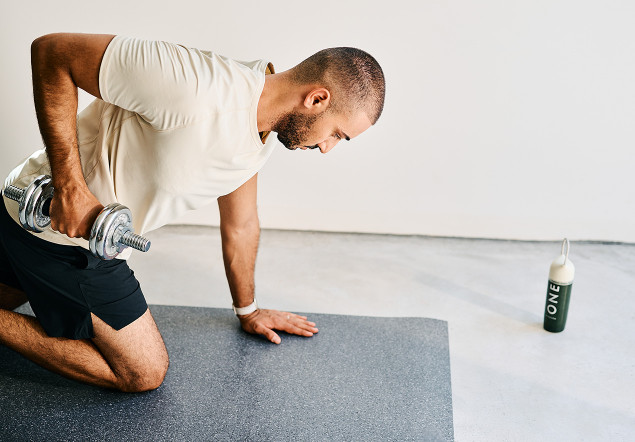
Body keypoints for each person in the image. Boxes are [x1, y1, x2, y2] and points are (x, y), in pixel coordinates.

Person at [0, 33, 386, 392]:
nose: (327, 148)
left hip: (57, 229)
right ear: (317, 99)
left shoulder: (263, 125)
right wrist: (70, 188)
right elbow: (53, 52)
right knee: (143, 371)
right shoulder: (196, 85)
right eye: (337, 134)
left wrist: (248, 310)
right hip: (56, 228)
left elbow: (241, 224)